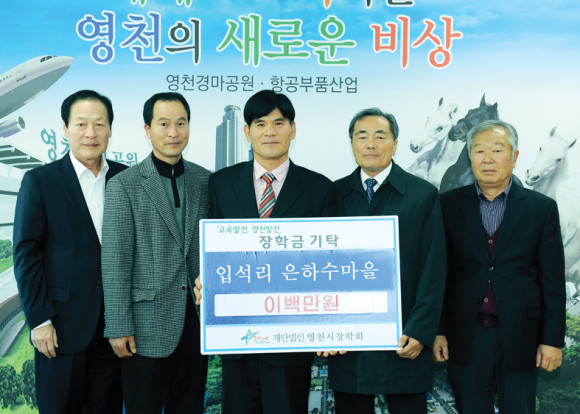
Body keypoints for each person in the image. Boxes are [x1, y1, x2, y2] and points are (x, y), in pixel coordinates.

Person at [200, 89, 336, 414]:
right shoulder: (221, 183)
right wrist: (204, 280)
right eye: (260, 124)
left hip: (292, 338)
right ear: (247, 132)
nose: (270, 132)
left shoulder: (319, 188)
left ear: (293, 129)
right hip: (237, 334)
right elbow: (211, 249)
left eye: (278, 123)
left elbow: (329, 262)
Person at [433, 119, 566, 414]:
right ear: (470, 157)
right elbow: (438, 275)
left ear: (514, 157)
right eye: (479, 151)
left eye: (497, 150)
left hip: (522, 338)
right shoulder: (447, 206)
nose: (488, 159)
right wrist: (438, 331)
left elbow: (553, 281)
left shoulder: (541, 208)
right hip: (465, 337)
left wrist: (552, 340)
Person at [325, 108, 446, 414]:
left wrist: (420, 331)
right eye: (361, 137)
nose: (371, 144)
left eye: (380, 136)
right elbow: (317, 267)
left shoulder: (422, 195)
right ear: (352, 144)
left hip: (405, 339)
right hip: (348, 344)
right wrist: (325, 328)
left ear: (395, 144)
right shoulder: (332, 195)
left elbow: (434, 270)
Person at [13, 89, 126, 414]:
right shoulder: (41, 181)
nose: (91, 133)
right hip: (60, 329)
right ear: (65, 128)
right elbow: (27, 255)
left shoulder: (126, 179)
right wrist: (39, 320)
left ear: (110, 129)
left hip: (115, 330)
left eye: (99, 124)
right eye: (81, 124)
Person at [101, 92, 210, 414]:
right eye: (163, 124)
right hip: (145, 326)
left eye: (181, 123)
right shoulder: (124, 185)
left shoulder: (206, 180)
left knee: (190, 407)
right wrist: (118, 326)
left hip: (196, 322)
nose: (173, 132)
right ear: (148, 129)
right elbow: (115, 261)